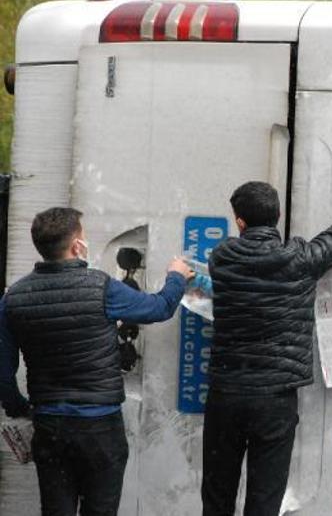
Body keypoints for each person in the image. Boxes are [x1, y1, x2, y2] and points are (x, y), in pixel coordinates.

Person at [202, 127, 332, 516]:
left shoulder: (221, 261)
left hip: (226, 394)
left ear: (239, 222)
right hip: (274, 400)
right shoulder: (301, 262)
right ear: (278, 218)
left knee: (217, 494)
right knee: (265, 498)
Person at [0, 207, 193, 516]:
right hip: (99, 427)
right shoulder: (101, 288)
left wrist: (20, 408)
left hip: (50, 426)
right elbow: (159, 308)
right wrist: (176, 276)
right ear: (77, 246)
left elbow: (3, 371)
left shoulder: (13, 299)